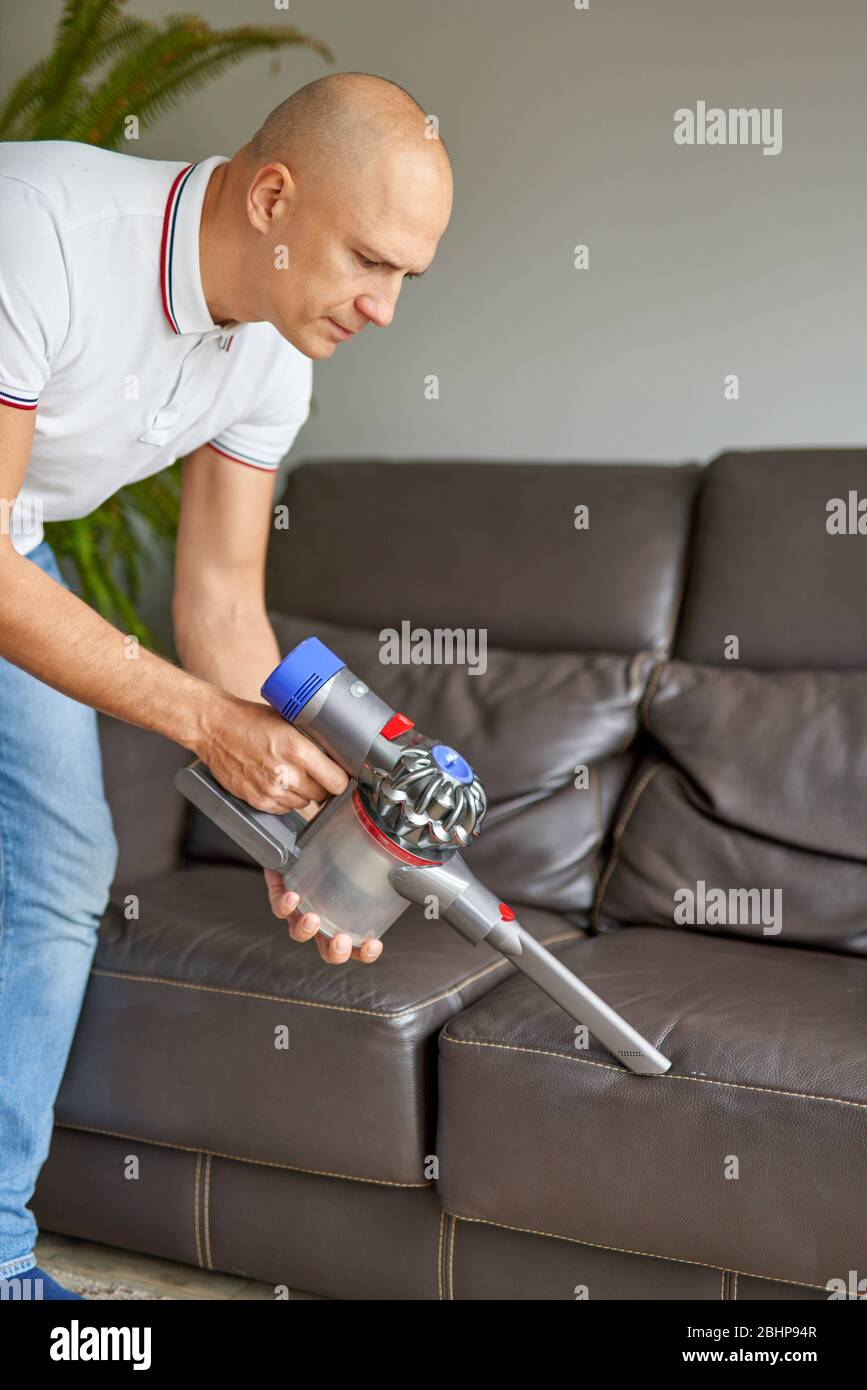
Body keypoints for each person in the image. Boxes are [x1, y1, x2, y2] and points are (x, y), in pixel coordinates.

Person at [0, 70, 454, 1298]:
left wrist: (322, 805)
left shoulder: (270, 360)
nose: (386, 307)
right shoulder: (39, 229)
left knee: (53, 860)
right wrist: (209, 723)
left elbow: (220, 611)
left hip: (9, 533)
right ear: (272, 197)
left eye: (408, 273)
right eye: (370, 259)